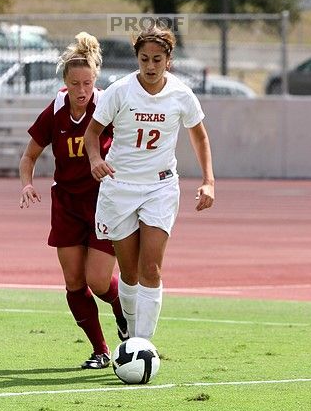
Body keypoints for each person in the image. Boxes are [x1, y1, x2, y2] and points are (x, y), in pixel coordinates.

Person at [84, 25, 215, 341]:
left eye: (157, 59)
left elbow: (199, 136)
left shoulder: (181, 94)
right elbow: (92, 134)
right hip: (120, 187)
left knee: (151, 269)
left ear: (169, 59)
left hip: (160, 188)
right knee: (128, 274)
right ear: (137, 59)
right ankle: (130, 330)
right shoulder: (120, 90)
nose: (151, 66)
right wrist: (95, 160)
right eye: (145, 59)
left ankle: (143, 343)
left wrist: (208, 180)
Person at [19, 32, 128, 370]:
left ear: (96, 80)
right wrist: (26, 184)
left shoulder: (108, 105)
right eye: (75, 83)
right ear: (65, 82)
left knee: (98, 281)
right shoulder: (54, 110)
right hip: (66, 203)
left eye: (88, 83)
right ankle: (100, 349)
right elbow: (29, 156)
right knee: (73, 282)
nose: (82, 90)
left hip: (102, 201)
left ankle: (122, 310)